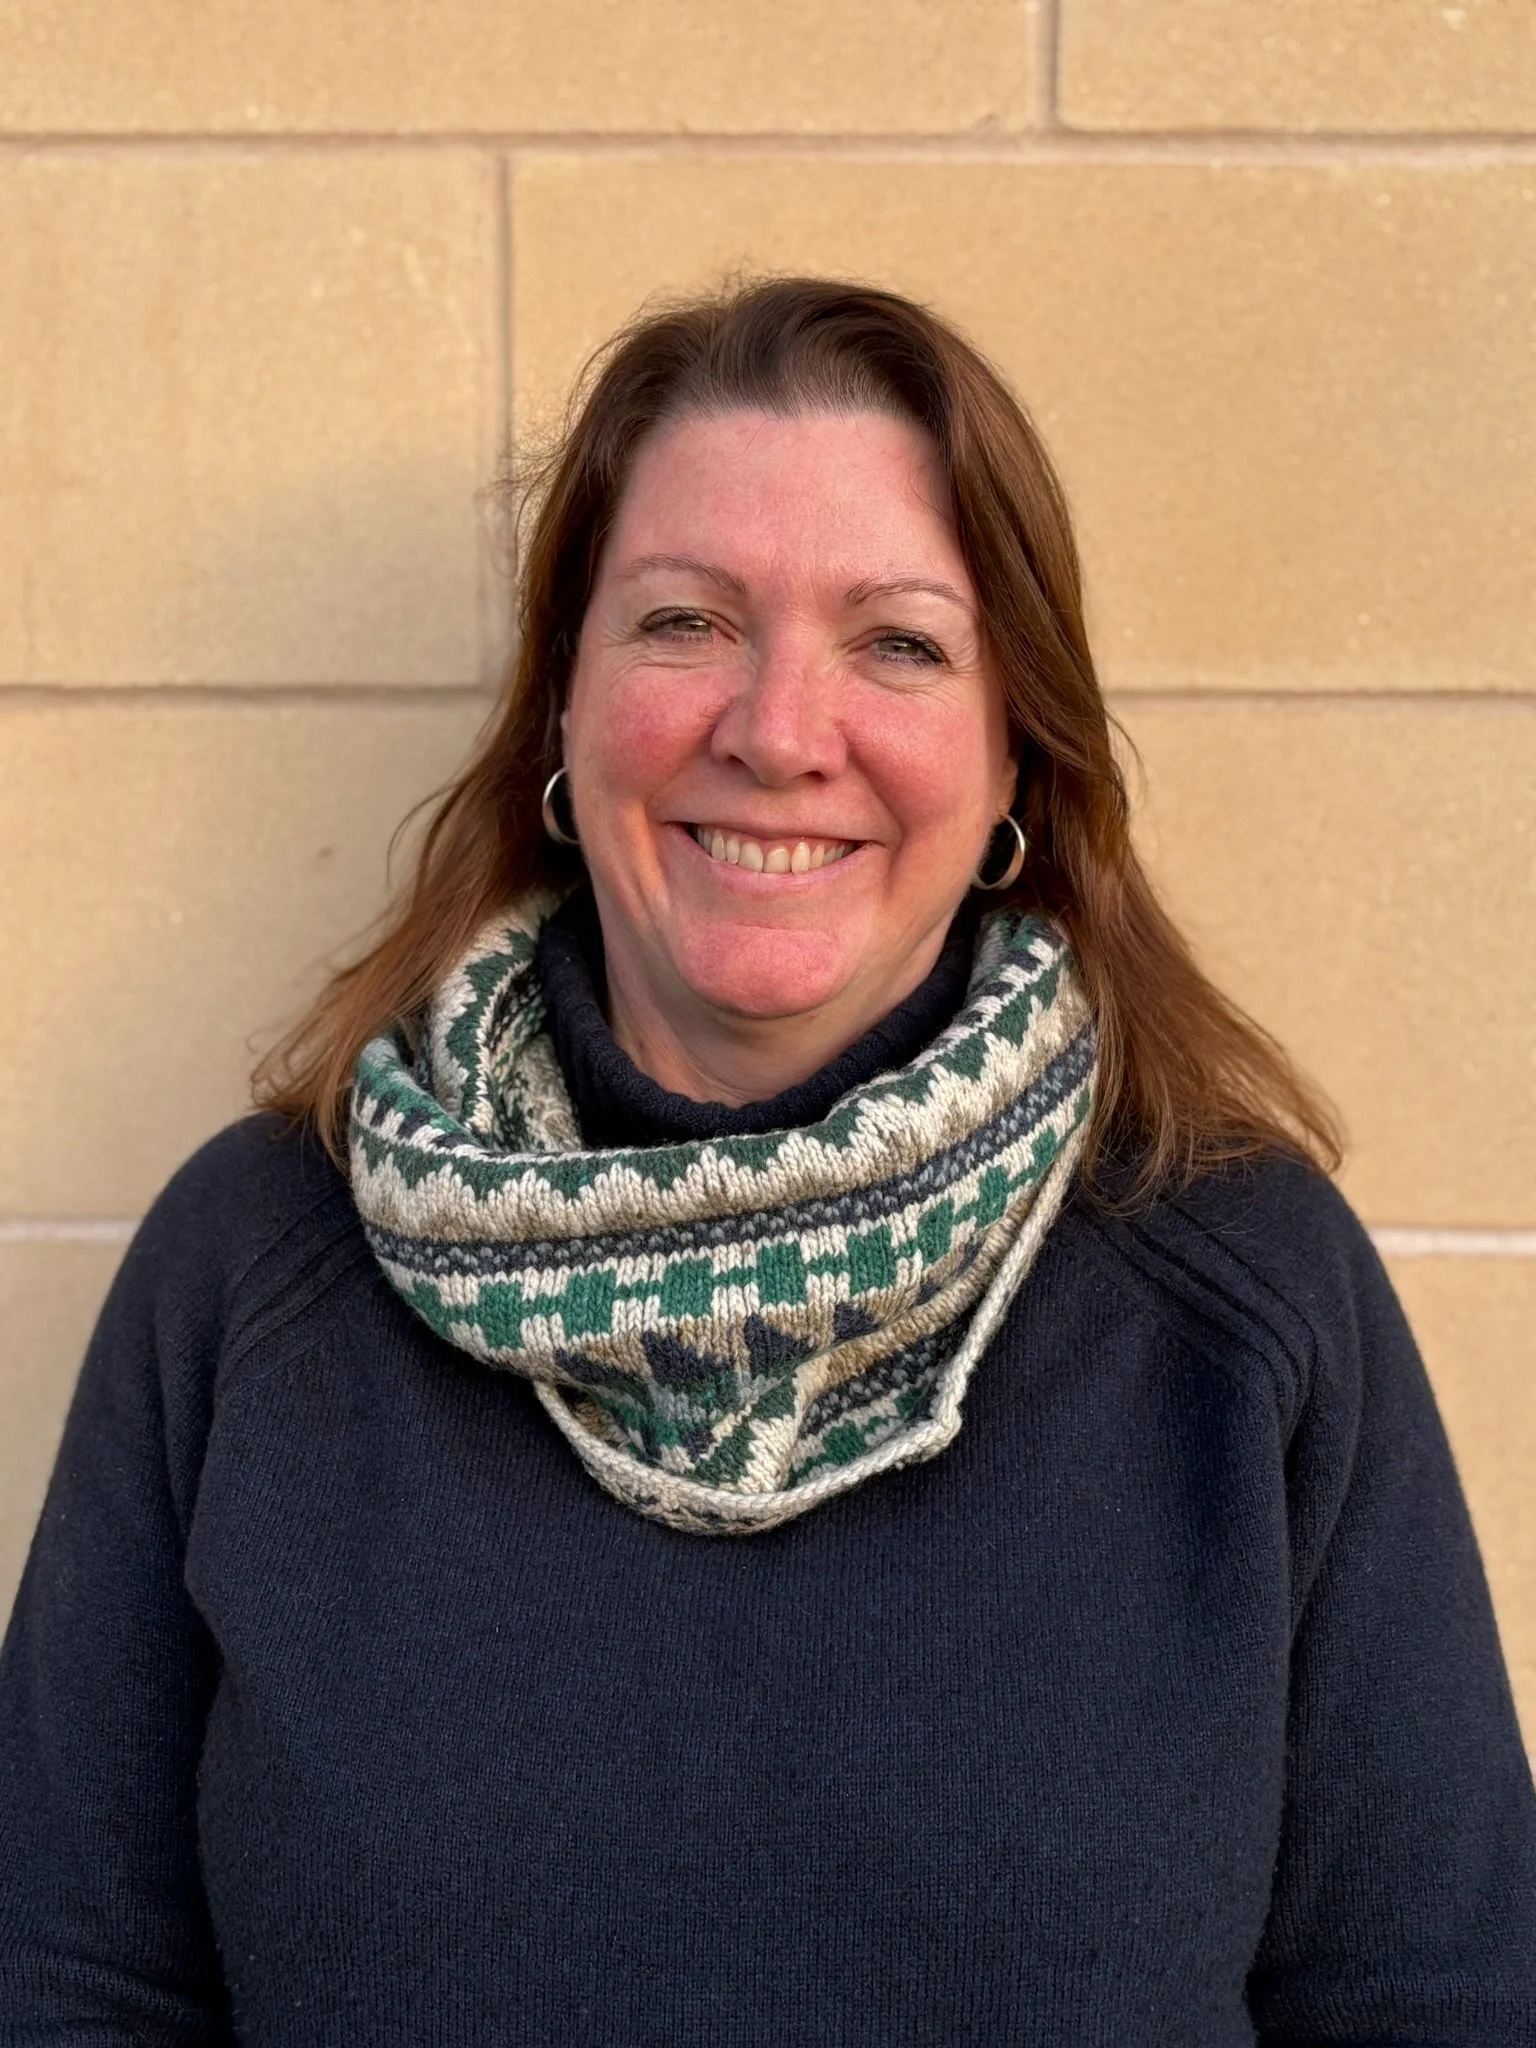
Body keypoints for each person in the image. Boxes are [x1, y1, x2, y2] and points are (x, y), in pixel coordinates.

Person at [1, 277, 1531, 2045]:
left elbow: (1432, 1997)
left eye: (898, 642)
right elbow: (69, 1979)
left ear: (1013, 745)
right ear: (562, 706)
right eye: (685, 622)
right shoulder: (259, 1266)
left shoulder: (1241, 1290)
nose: (780, 728)